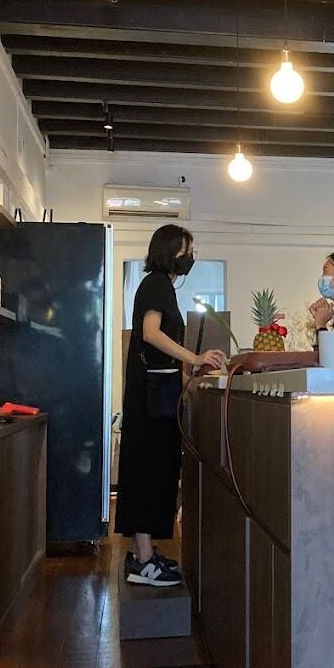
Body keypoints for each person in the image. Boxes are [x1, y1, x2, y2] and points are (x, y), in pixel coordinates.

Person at [116, 224, 225, 586]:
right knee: (150, 469)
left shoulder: (157, 286)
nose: (190, 256)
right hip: (151, 400)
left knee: (147, 468)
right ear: (170, 251)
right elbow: (150, 333)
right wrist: (194, 357)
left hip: (152, 394)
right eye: (186, 249)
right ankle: (145, 563)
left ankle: (140, 554)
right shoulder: (157, 285)